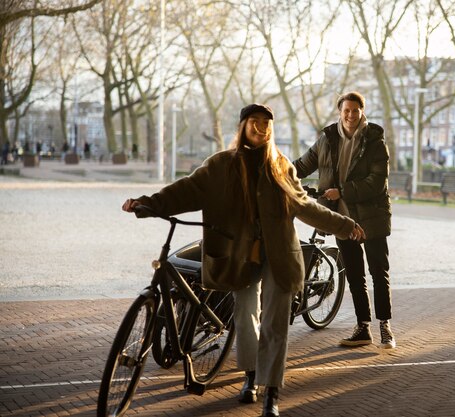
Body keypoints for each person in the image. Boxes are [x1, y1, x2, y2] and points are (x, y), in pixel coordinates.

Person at [122, 103, 365, 417]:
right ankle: (250, 376)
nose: (261, 128)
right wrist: (148, 204)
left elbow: (307, 208)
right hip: (240, 257)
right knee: (245, 316)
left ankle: (271, 392)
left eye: (266, 123)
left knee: (275, 324)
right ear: (243, 126)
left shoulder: (281, 167)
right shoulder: (221, 165)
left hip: (280, 258)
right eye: (254, 122)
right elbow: (186, 190)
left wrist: (345, 226)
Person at [293, 91, 395, 349]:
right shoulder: (327, 139)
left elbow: (377, 182)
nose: (350, 115)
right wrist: (274, 170)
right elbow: (302, 165)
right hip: (341, 219)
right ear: (340, 112)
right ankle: (363, 328)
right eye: (346, 110)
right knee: (354, 275)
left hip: (371, 216)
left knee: (378, 272)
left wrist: (343, 191)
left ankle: (385, 326)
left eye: (355, 110)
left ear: (362, 111)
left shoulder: (374, 141)